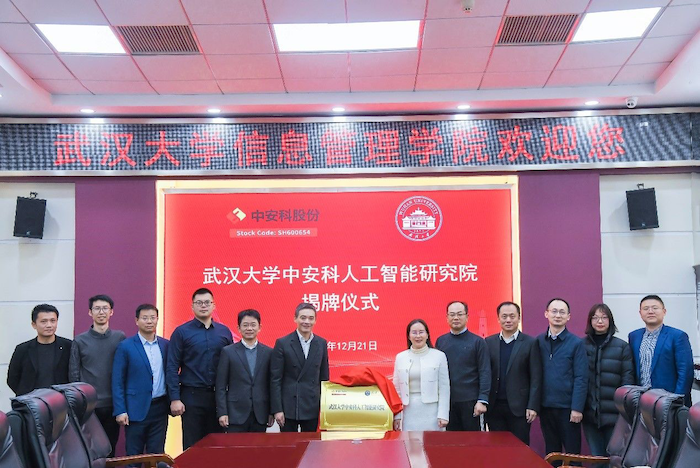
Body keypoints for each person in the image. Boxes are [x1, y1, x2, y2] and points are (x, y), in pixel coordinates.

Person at [166, 288, 233, 449]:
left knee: (216, 445)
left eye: (207, 302)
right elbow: (172, 366)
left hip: (218, 398)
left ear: (214, 305)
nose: (203, 306)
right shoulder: (181, 332)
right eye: (199, 303)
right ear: (192, 306)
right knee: (192, 446)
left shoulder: (224, 332)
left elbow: (232, 366)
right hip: (191, 396)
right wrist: (175, 398)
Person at [69, 294, 126, 457]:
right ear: (90, 312)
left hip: (113, 405)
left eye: (105, 308)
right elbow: (73, 374)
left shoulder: (119, 338)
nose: (101, 312)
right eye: (97, 308)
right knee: (90, 451)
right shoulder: (79, 341)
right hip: (89, 407)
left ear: (111, 312)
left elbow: (124, 370)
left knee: (110, 449)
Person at [112, 304, 170, 462]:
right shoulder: (126, 346)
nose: (149, 321)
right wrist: (120, 410)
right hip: (135, 409)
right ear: (136, 321)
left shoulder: (166, 345)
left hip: (160, 408)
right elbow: (117, 381)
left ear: (157, 319)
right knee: (134, 456)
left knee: (157, 456)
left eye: (153, 318)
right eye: (145, 318)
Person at [537, 298, 588, 462]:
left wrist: (577, 408)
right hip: (546, 407)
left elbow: (581, 378)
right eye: (554, 311)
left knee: (572, 456)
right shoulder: (538, 341)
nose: (557, 315)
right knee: (552, 454)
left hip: (568, 409)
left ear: (568, 317)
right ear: (546, 314)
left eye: (562, 312)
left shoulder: (576, 343)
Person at [485, 301, 542, 445]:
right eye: (504, 317)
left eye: (512, 316)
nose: (508, 320)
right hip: (494, 407)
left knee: (520, 449)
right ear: (498, 319)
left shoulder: (530, 342)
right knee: (497, 449)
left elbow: (536, 377)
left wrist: (532, 405)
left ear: (519, 318)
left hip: (520, 407)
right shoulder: (489, 342)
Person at [583, 303, 634, 462]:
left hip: (615, 415)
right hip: (590, 414)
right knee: (596, 459)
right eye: (596, 317)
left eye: (604, 317)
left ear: (610, 321)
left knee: (614, 459)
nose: (600, 321)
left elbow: (627, 379)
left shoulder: (622, 347)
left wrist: (623, 409)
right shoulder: (581, 346)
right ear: (590, 321)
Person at [271, 303, 329, 432]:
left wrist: (324, 408)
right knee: (288, 444)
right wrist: (277, 409)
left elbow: (324, 378)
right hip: (288, 406)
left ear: (315, 320)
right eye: (303, 318)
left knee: (311, 443)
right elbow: (275, 379)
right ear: (295, 319)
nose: (307, 322)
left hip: (312, 405)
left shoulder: (321, 343)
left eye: (311, 318)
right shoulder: (283, 343)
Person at [435, 300, 491, 431]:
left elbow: (485, 372)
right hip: (447, 402)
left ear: (467, 317)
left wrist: (482, 400)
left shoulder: (478, 342)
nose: (456, 318)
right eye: (452, 314)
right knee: (451, 441)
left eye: (460, 314)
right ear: (447, 317)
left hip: (471, 403)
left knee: (474, 441)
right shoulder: (441, 341)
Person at [629, 294, 694, 406]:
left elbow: (685, 372)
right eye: (646, 308)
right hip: (642, 402)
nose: (650, 311)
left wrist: (677, 401)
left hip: (669, 402)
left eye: (655, 308)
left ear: (664, 311)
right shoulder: (634, 336)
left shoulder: (677, 336)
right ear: (640, 313)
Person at [216, 309, 273, 432]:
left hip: (260, 413)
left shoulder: (269, 352)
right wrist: (222, 412)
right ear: (239, 328)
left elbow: (271, 384)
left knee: (258, 445)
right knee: (236, 445)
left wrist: (271, 412)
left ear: (259, 327)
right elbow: (221, 386)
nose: (249, 328)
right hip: (235, 413)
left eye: (253, 325)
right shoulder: (228, 352)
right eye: (245, 325)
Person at [392, 319, 450, 431]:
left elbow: (444, 388)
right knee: (409, 441)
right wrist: (397, 416)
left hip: (432, 412)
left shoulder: (439, 356)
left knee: (432, 442)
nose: (418, 336)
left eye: (421, 332)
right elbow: (396, 390)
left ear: (427, 335)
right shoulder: (400, 357)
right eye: (414, 333)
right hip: (408, 412)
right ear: (409, 336)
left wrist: (443, 415)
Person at [7, 304, 72, 396]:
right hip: (30, 401)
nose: (49, 325)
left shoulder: (68, 346)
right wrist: (25, 395)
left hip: (60, 401)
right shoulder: (22, 349)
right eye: (44, 321)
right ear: (34, 324)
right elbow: (12, 378)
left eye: (53, 321)